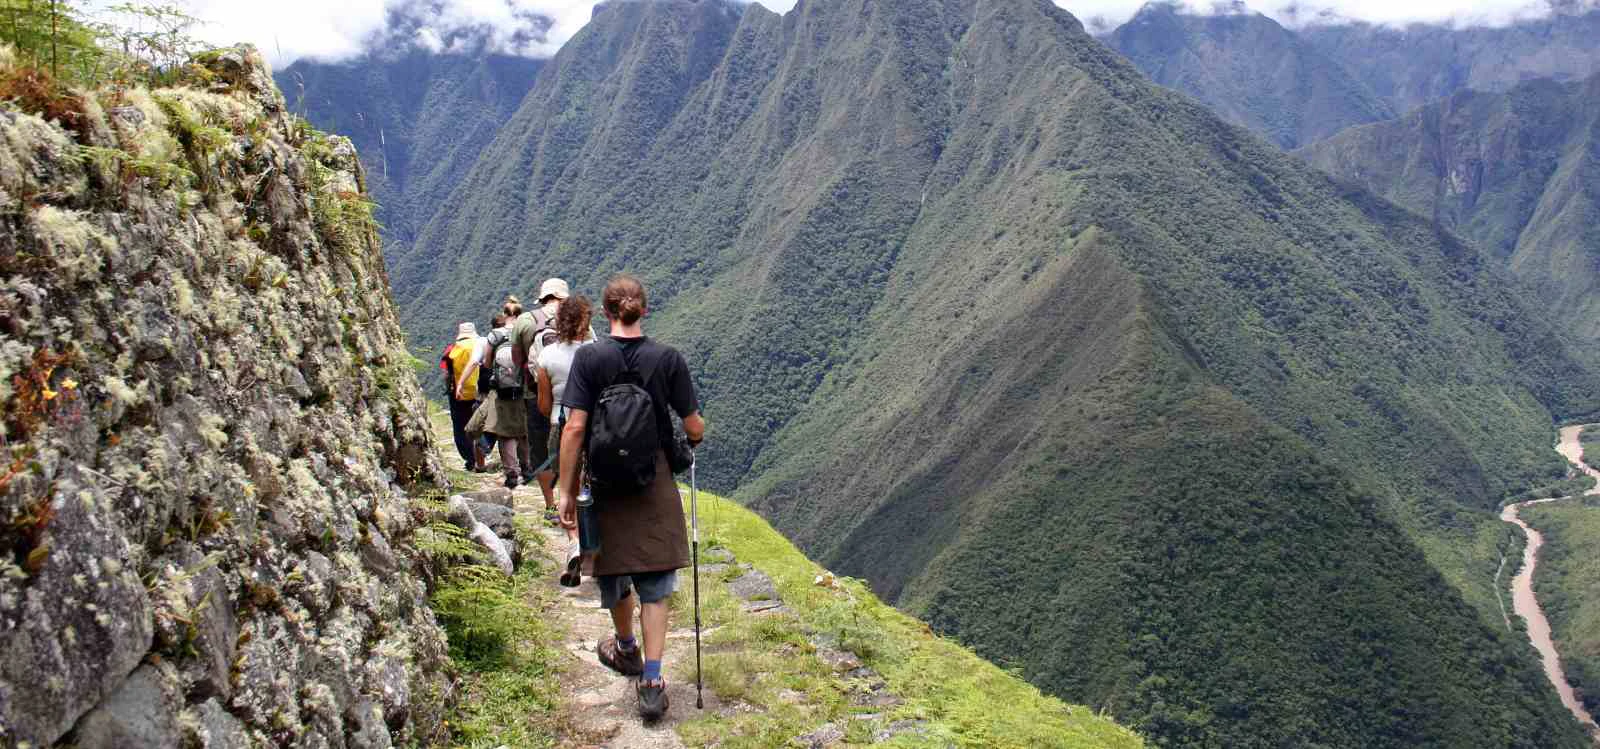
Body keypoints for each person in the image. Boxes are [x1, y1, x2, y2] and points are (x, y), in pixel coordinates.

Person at [558, 274, 704, 722]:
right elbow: (694, 426)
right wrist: (686, 443)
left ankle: (625, 648)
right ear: (645, 311)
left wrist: (566, 490)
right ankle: (654, 681)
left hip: (602, 482)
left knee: (615, 570)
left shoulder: (589, 358)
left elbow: (575, 427)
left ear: (605, 314)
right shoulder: (668, 360)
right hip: (653, 479)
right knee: (656, 582)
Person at [515, 278, 593, 510]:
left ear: (543, 297)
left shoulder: (525, 321)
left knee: (541, 452)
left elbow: (518, 359)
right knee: (581, 461)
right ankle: (582, 506)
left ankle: (551, 505)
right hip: (583, 410)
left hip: (539, 398)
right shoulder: (586, 328)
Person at [537, 295, 595, 579]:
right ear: (586, 321)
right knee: (593, 485)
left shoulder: (546, 356)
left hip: (560, 425)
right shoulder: (596, 352)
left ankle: (573, 542)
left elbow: (544, 405)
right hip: (596, 426)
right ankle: (594, 545)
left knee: (568, 488)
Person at [470, 305, 528, 488]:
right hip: (523, 389)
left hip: (501, 391)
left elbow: (486, 364)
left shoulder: (495, 336)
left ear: (505, 315)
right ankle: (527, 468)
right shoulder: (526, 332)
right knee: (524, 432)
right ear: (520, 315)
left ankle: (511, 473)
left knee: (505, 433)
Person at [439, 322, 486, 471]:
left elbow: (446, 373)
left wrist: (450, 387)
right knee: (479, 426)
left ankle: (469, 459)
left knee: (460, 426)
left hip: (458, 394)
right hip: (480, 392)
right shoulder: (482, 346)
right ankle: (481, 460)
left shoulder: (451, 350)